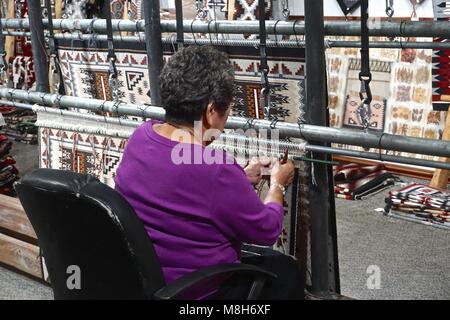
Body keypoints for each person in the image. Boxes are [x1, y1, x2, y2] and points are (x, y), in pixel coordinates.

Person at [114, 46, 303, 299]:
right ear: (211, 111)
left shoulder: (141, 136)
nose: (224, 126)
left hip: (143, 280)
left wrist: (241, 177)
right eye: (225, 114)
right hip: (196, 292)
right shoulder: (215, 168)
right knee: (286, 271)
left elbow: (175, 184)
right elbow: (266, 231)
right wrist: (278, 185)